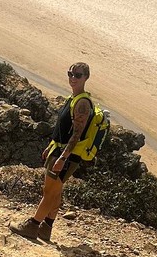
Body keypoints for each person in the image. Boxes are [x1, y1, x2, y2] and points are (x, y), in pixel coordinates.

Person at [10, 61, 94, 243]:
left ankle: (33, 225)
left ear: (86, 77)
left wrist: (63, 157)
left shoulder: (83, 103)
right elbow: (63, 129)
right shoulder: (73, 98)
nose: (73, 78)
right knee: (54, 191)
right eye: (70, 73)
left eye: (78, 75)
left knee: (49, 191)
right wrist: (51, 146)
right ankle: (46, 228)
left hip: (67, 155)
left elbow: (77, 135)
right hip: (60, 150)